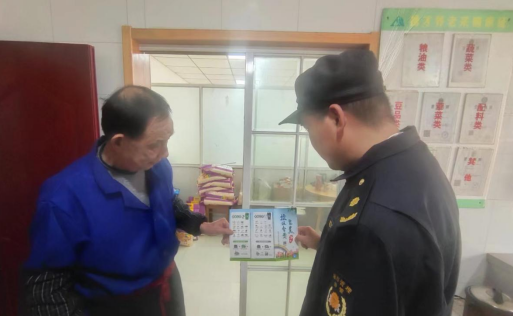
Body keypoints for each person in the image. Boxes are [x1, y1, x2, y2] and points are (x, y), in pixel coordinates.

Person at [280, 50, 461, 316]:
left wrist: (354, 241)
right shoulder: (416, 164)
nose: (311, 140)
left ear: (336, 118)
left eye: (308, 128)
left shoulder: (373, 216)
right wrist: (329, 244)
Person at [24, 86, 233, 315]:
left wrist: (200, 224)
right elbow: (47, 288)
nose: (165, 153)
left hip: (165, 285)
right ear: (118, 142)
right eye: (154, 144)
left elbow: (168, 203)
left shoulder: (158, 167)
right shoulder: (63, 198)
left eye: (167, 140)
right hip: (114, 305)